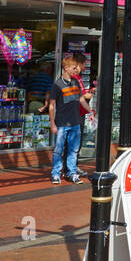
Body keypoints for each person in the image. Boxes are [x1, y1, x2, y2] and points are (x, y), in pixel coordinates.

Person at [48, 55, 89, 184]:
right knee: (58, 149)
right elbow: (51, 105)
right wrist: (52, 123)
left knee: (73, 150)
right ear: (65, 68)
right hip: (62, 122)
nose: (76, 70)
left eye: (76, 67)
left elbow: (81, 99)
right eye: (73, 67)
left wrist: (90, 111)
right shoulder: (57, 85)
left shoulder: (75, 82)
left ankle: (71, 173)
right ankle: (56, 173)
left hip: (75, 121)